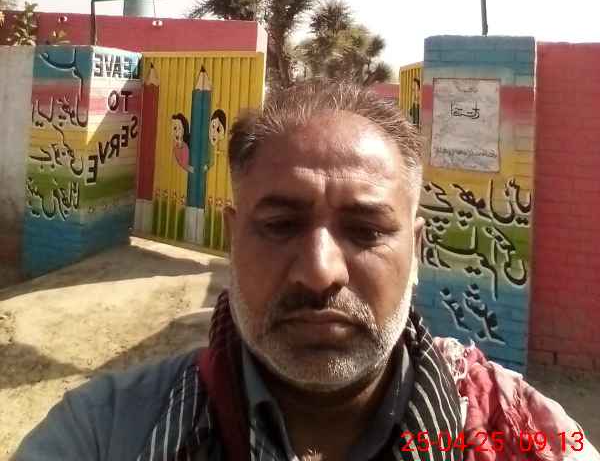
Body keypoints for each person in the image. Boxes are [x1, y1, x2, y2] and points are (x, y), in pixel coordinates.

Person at [14, 82, 599, 460]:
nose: (320, 274)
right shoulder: (105, 433)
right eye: (280, 225)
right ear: (232, 238)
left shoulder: (525, 432)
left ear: (416, 251)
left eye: (365, 231)